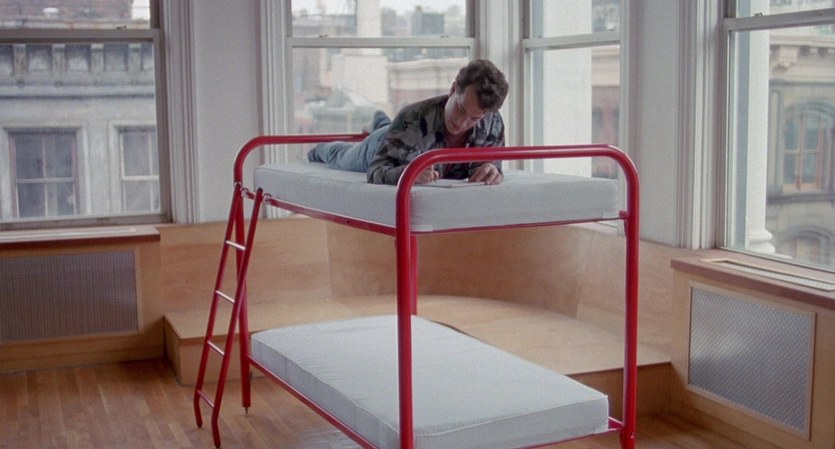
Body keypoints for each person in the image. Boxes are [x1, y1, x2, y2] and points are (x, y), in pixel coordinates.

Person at [307, 59, 509, 185]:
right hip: (379, 146)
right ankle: (321, 148)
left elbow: (491, 167)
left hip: (400, 135)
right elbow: (375, 171)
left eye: (474, 118)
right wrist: (407, 173)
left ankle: (381, 121)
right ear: (453, 89)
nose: (462, 122)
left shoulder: (492, 124)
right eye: (461, 109)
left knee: (390, 128)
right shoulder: (412, 119)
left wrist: (491, 171)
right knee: (343, 157)